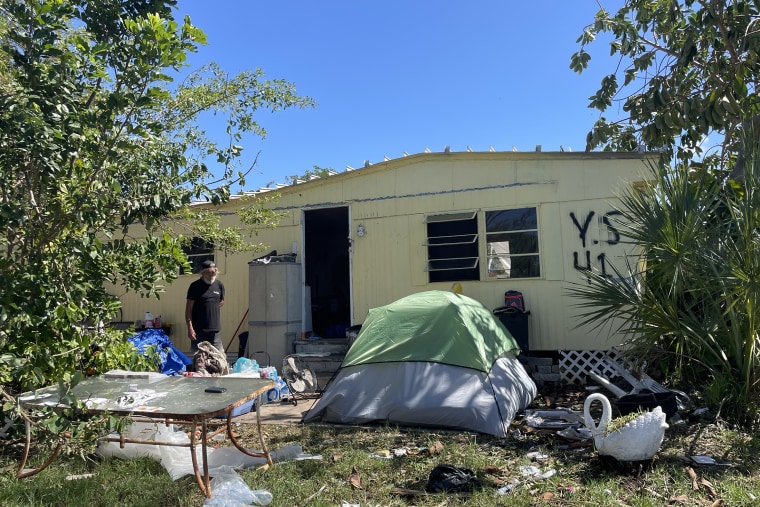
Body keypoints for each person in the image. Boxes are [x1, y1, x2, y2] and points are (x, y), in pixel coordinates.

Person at [186, 259, 225, 354]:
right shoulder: (195, 286)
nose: (212, 274)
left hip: (215, 330)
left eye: (214, 272)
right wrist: (190, 329)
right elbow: (188, 310)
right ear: (203, 273)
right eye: (209, 272)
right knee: (199, 359)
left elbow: (222, 301)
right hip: (199, 331)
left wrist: (211, 310)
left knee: (219, 358)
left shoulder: (219, 285)